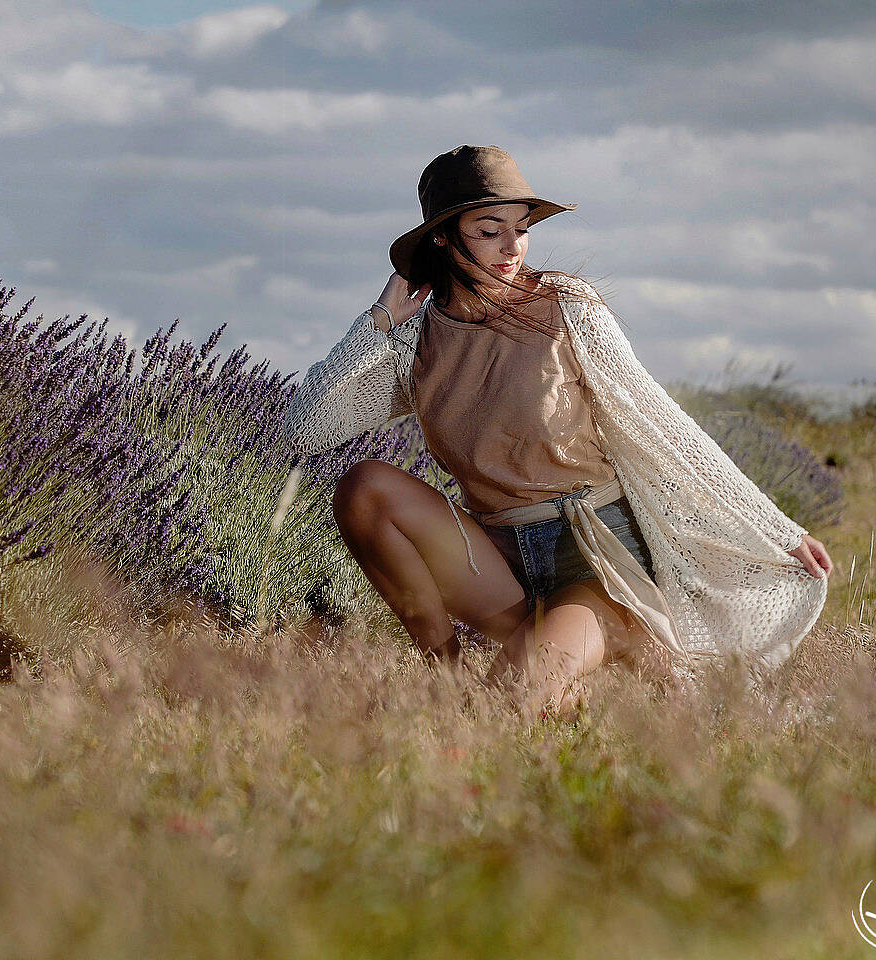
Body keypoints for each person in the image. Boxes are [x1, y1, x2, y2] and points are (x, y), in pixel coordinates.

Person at [282, 144, 833, 717]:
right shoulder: (414, 340)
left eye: (521, 229)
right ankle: (446, 676)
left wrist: (777, 529)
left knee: (508, 704)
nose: (511, 247)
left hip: (599, 562)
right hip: (498, 560)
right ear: (444, 237)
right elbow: (304, 428)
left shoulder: (567, 307)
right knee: (365, 487)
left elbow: (663, 423)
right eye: (490, 230)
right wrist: (376, 323)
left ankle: (614, 647)